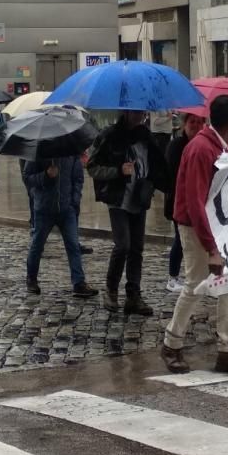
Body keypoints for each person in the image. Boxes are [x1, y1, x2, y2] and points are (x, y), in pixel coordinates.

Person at [161, 95, 228, 375]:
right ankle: (171, 343)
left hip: (219, 224)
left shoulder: (225, 146)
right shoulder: (201, 149)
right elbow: (194, 201)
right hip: (196, 226)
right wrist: (211, 247)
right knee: (195, 284)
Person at [88, 110, 169, 315]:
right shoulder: (109, 135)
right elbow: (93, 167)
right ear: (125, 112)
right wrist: (117, 171)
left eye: (142, 111)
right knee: (123, 245)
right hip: (118, 199)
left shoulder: (145, 136)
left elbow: (157, 165)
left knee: (137, 248)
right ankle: (111, 289)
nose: (140, 115)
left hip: (139, 198)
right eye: (135, 111)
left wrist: (159, 182)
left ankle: (134, 295)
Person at [22, 155, 98, 299]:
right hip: (44, 209)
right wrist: (46, 176)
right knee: (37, 245)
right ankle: (31, 278)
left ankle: (79, 282)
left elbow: (77, 179)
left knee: (73, 245)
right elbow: (27, 178)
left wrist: (74, 203)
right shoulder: (39, 152)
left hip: (66, 208)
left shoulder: (71, 153)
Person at [164, 113, 206, 292]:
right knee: (180, 240)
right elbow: (173, 175)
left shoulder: (204, 145)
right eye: (192, 122)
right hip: (178, 201)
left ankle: (197, 275)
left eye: (199, 122)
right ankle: (173, 277)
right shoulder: (176, 146)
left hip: (198, 200)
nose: (195, 126)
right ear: (184, 125)